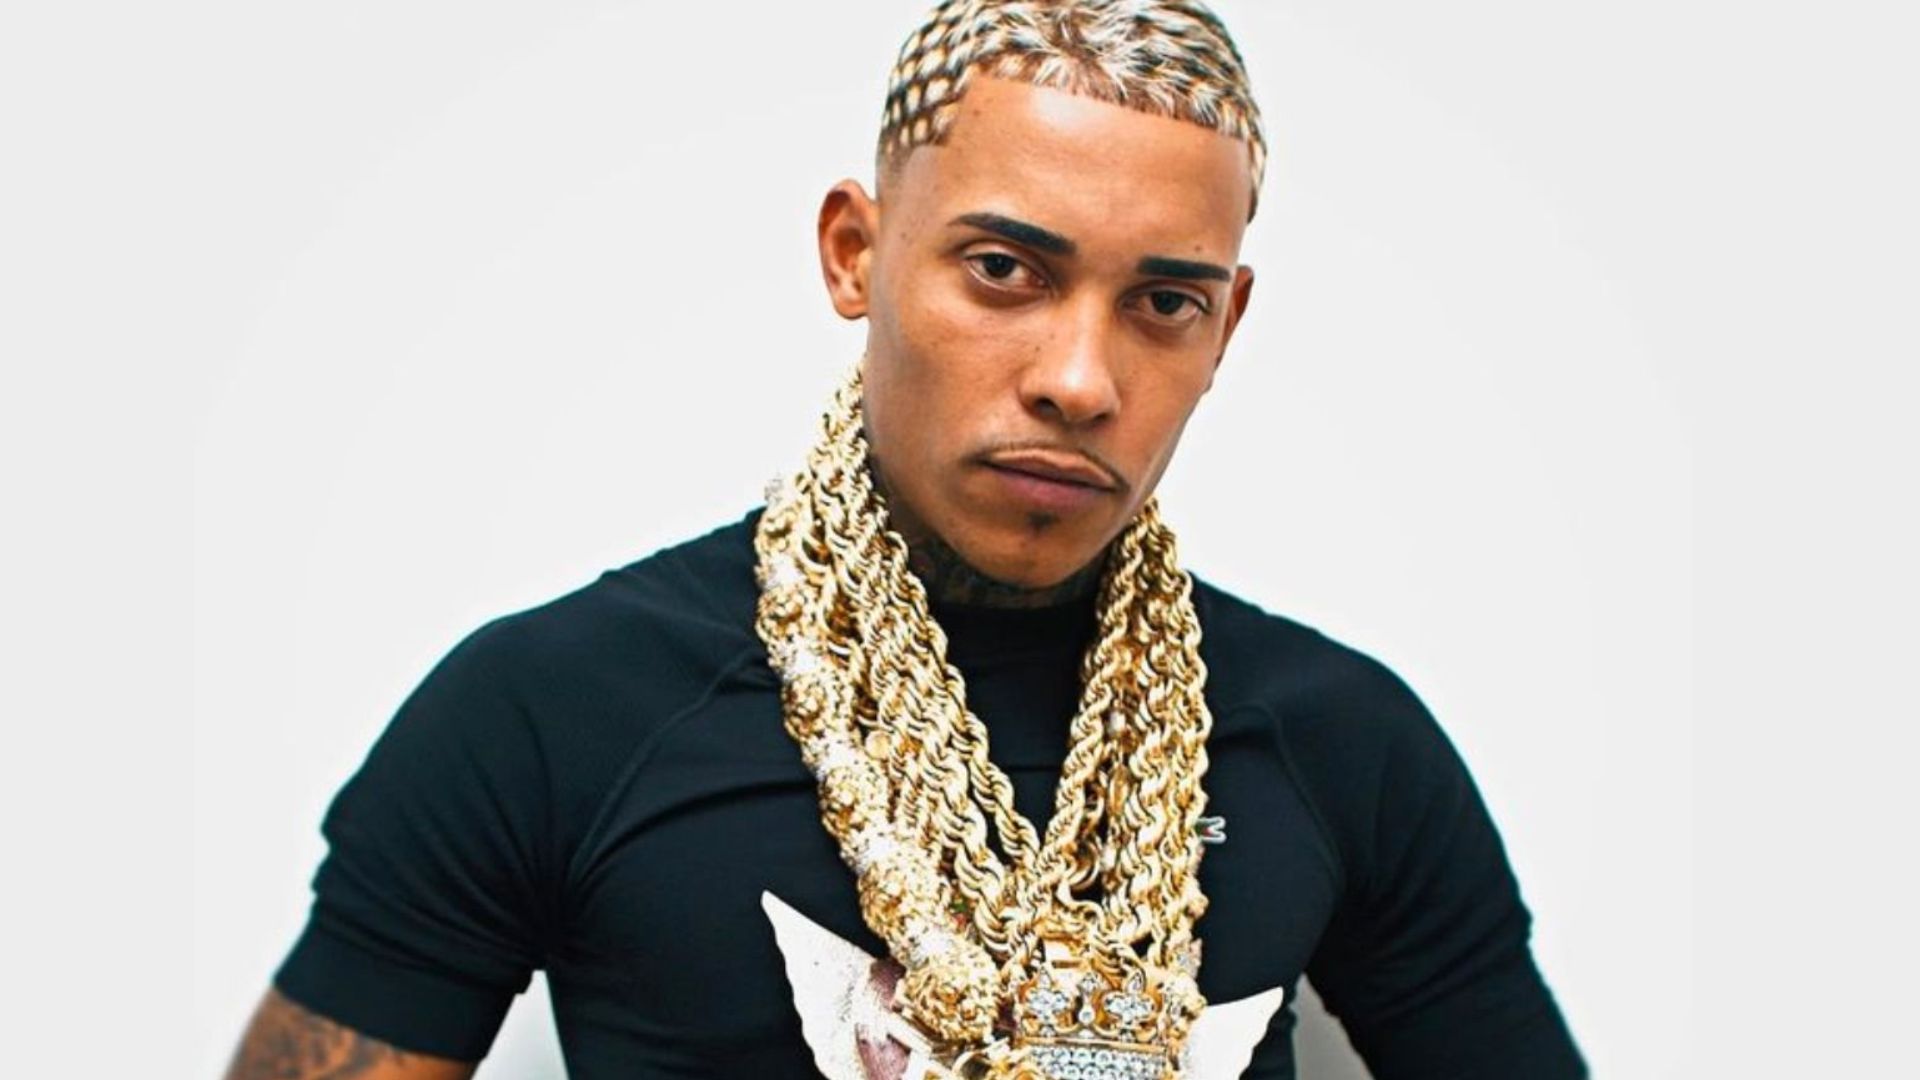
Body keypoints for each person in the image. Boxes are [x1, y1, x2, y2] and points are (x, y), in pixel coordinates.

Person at [222, 2, 1586, 1078]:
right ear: (854, 254)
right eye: (1005, 271)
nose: (1079, 380)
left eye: (1162, 302)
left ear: (1223, 328)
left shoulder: (1343, 744)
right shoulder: (551, 712)